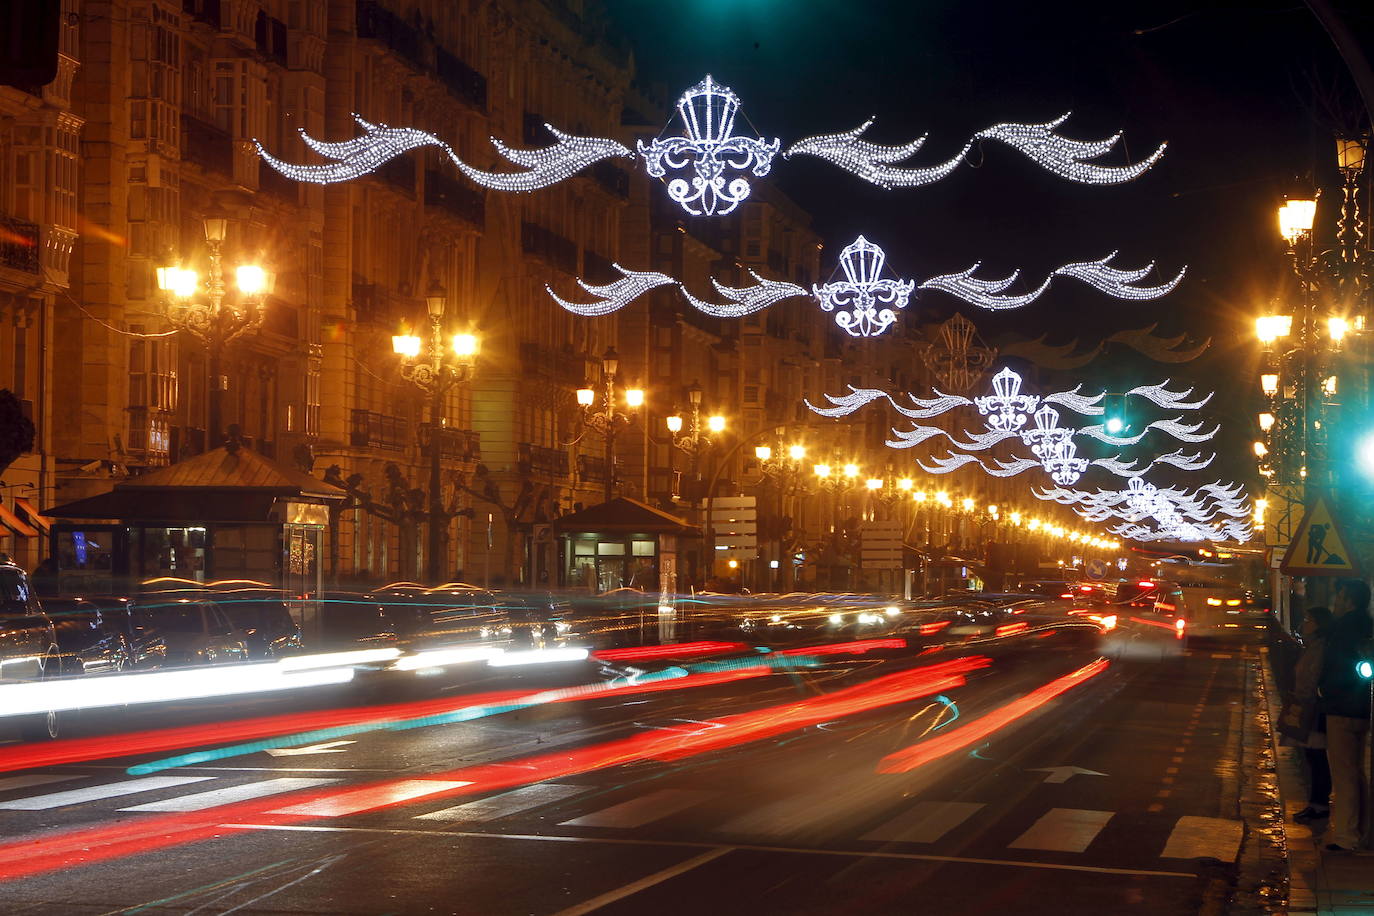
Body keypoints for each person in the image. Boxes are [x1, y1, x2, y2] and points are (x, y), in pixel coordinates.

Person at [1318, 578, 1373, 852]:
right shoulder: (1368, 624)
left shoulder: (1342, 629)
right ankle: (1362, 830)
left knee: (1344, 774)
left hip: (1342, 708)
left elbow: (1335, 668)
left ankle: (1346, 836)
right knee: (1357, 772)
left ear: (1348, 599)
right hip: (1363, 708)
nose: (1336, 602)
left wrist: (1324, 693)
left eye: (1338, 597)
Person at [1281, 607, 1333, 823]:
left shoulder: (1320, 648)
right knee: (1313, 757)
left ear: (1319, 624)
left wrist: (1303, 699)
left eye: (1308, 620)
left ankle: (1320, 805)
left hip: (1313, 709)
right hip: (1306, 705)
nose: (1305, 623)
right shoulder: (1311, 647)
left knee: (1317, 757)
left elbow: (1312, 678)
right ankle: (1315, 802)